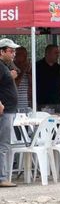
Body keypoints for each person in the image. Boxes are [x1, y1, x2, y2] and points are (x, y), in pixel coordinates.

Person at [0, 39, 20, 187]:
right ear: (1, 51)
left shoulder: (5, 66)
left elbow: (17, 71)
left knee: (5, 144)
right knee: (4, 144)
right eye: (10, 51)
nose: (13, 53)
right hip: (4, 110)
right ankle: (2, 177)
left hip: (9, 110)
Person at [35, 44, 60, 109]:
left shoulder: (58, 67)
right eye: (55, 53)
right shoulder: (37, 66)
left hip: (57, 102)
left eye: (58, 53)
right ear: (47, 53)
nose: (58, 55)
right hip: (42, 103)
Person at [14, 47, 31, 111]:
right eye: (23, 55)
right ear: (16, 55)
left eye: (26, 55)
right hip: (14, 105)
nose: (25, 57)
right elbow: (15, 85)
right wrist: (23, 70)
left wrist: (29, 72)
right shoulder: (11, 67)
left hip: (25, 104)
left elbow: (32, 85)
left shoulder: (28, 68)